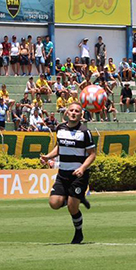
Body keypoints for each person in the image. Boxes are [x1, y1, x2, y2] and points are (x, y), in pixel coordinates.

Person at [40, 102, 96, 244]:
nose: (73, 113)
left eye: (77, 111)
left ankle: (78, 233)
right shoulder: (60, 128)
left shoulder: (85, 132)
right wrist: (48, 156)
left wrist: (82, 168)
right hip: (62, 174)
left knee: (72, 207)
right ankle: (76, 197)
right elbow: (59, 147)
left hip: (78, 176)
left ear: (81, 114)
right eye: (71, 110)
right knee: (54, 203)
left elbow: (92, 154)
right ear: (66, 113)